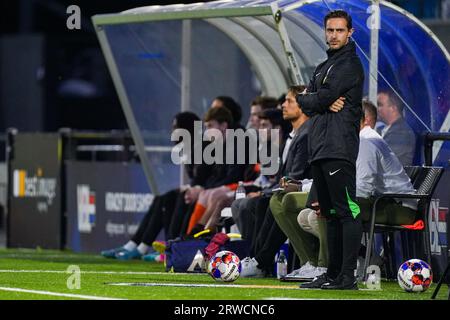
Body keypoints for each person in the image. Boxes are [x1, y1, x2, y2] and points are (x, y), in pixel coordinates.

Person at [299, 100, 417, 287]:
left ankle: (335, 271)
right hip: (379, 201)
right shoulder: (353, 141)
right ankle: (339, 269)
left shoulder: (365, 141)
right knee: (323, 212)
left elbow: (363, 187)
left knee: (332, 212)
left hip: (398, 206)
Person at [295, 9, 364, 290]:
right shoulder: (325, 66)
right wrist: (316, 100)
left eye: (339, 30)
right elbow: (307, 101)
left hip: (339, 148)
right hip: (321, 148)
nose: (333, 35)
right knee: (330, 214)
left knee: (347, 212)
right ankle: (333, 274)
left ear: (350, 33)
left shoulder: (350, 65)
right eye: (330, 30)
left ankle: (347, 277)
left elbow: (317, 98)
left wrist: (317, 99)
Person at [100, 111, 212, 261]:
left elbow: (203, 178)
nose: (172, 132)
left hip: (208, 193)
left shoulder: (204, 147)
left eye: (176, 127)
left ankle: (167, 248)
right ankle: (137, 245)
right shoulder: (191, 148)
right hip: (201, 191)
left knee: (173, 198)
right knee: (162, 198)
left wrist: (192, 188)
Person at [238, 85, 312, 277]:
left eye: (289, 101)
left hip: (307, 190)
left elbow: (295, 175)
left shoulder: (305, 135)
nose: (283, 105)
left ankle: (261, 261)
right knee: (265, 202)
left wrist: (271, 190)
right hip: (296, 188)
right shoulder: (295, 136)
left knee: (273, 201)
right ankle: (257, 259)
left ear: (303, 106)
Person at [376, 90, 416, 166]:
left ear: (393, 108)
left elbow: (381, 159)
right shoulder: (379, 129)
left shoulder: (403, 133)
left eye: (379, 105)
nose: (376, 108)